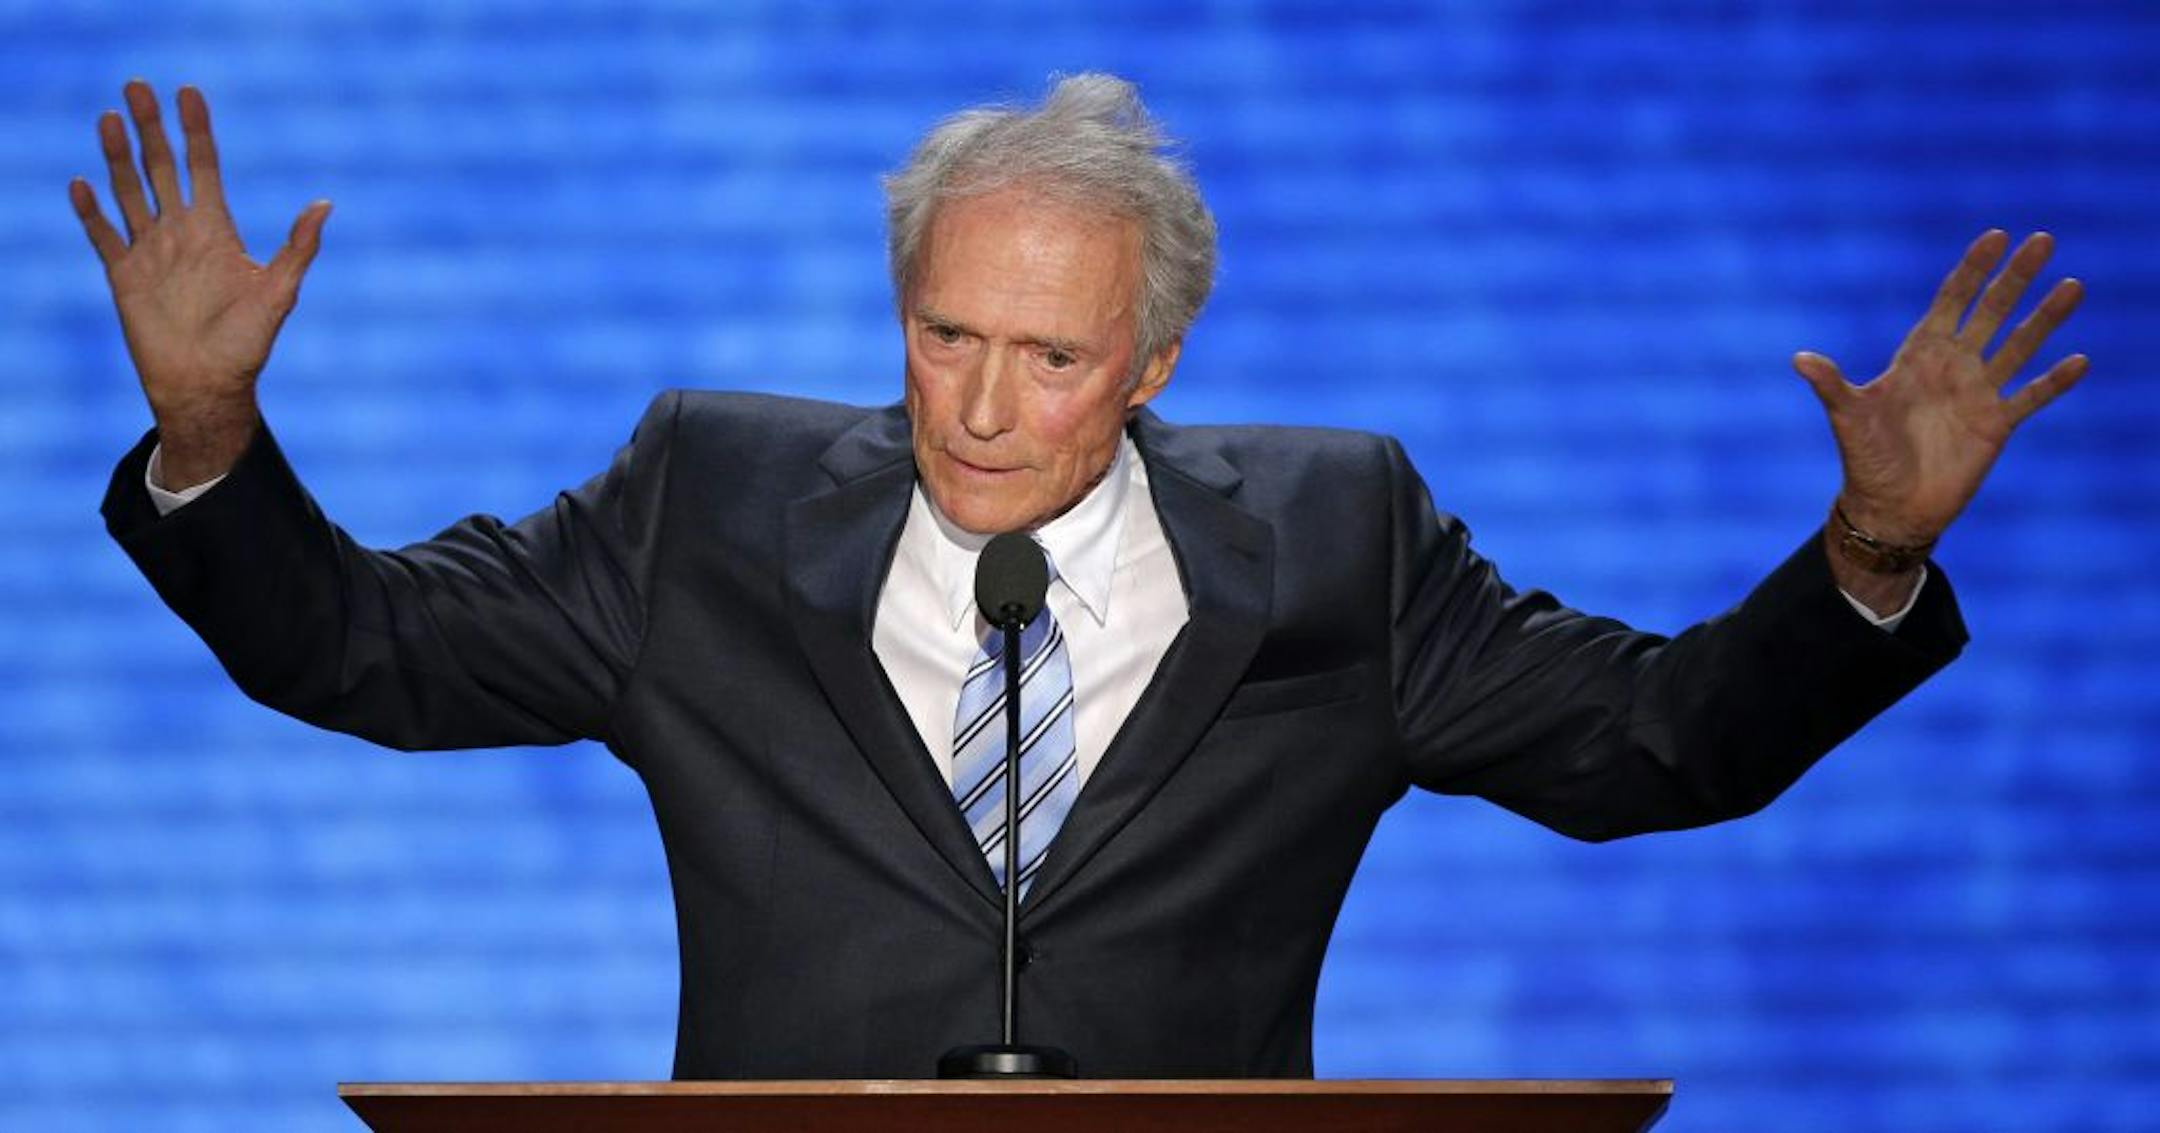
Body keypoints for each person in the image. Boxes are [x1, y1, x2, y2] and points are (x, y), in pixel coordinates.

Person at [77, 74, 2085, 1079]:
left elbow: (1659, 743)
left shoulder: (1340, 536)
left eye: (1047, 358)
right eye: (944, 334)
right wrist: (212, 439)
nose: (977, 408)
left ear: (1153, 364)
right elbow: (364, 648)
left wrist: (1873, 546)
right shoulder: (707, 503)